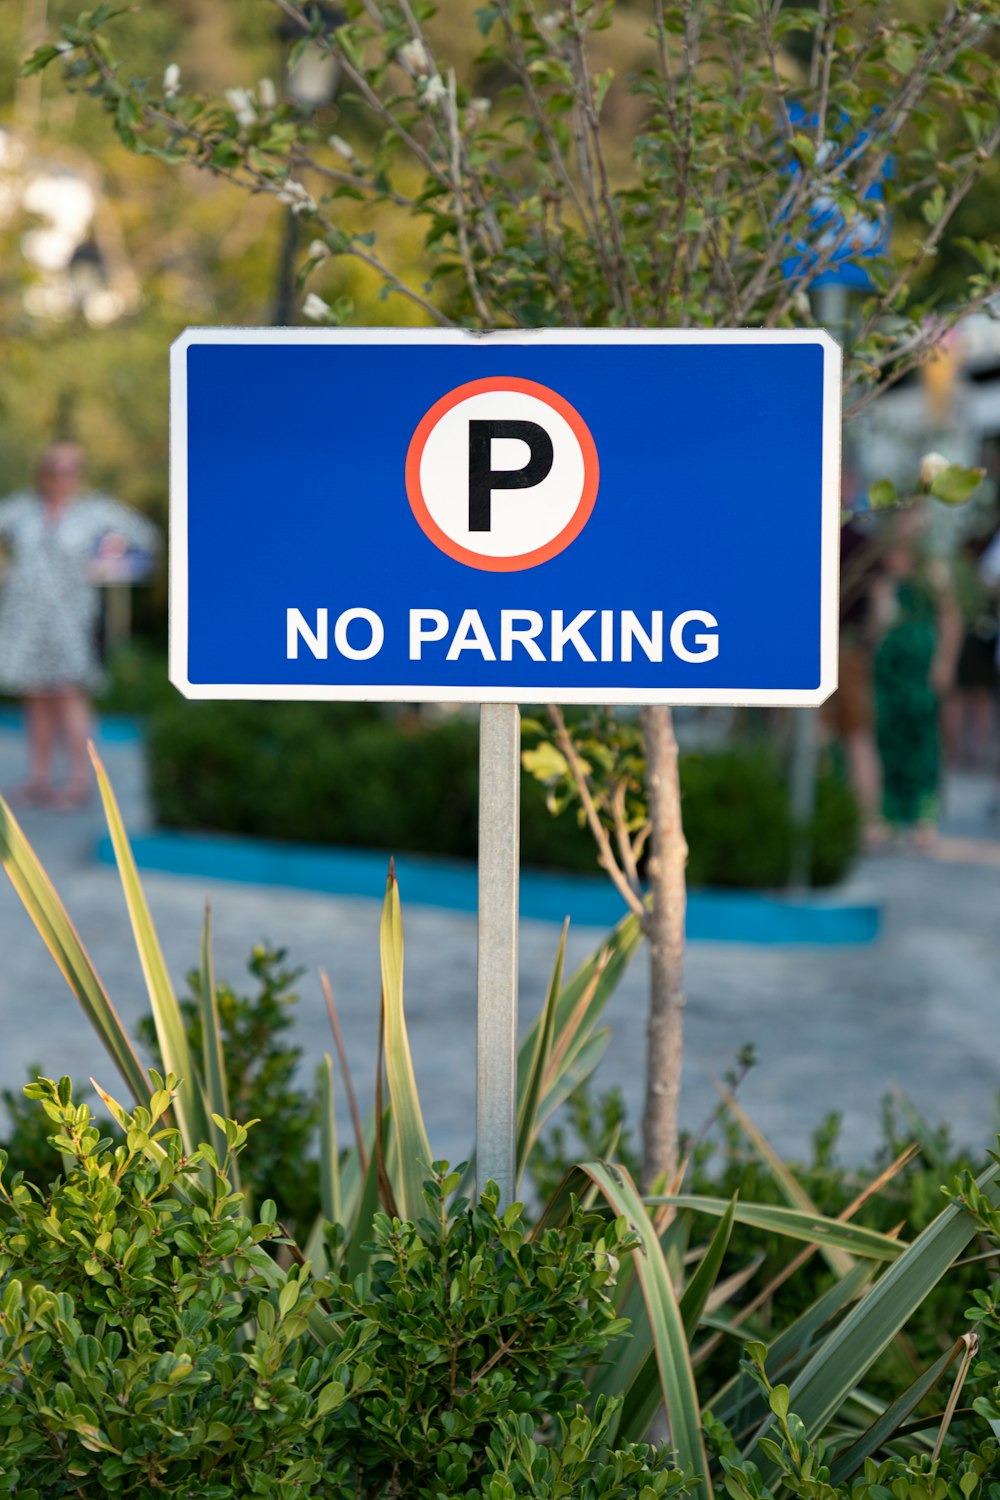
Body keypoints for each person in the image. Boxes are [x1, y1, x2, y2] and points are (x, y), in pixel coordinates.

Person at [0, 442, 160, 809]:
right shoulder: (23, 509)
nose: (61, 477)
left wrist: (110, 565)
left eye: (70, 470)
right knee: (37, 696)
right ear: (42, 472)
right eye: (54, 469)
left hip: (71, 620)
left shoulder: (95, 512)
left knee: (71, 696)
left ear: (80, 475)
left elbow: (144, 538)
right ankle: (38, 778)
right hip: (25, 619)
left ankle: (79, 782)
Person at [872, 506, 961, 848]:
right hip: (890, 665)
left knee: (923, 740)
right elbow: (876, 623)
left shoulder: (933, 571)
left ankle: (924, 816)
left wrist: (945, 662)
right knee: (889, 738)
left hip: (921, 666)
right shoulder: (883, 568)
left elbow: (950, 617)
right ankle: (890, 814)